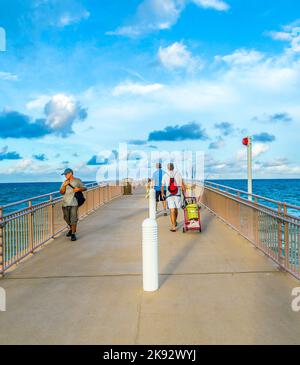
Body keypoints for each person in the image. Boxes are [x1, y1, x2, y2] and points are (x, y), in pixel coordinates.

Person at [60, 168, 87, 241]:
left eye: (66, 174)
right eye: (64, 174)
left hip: (74, 202)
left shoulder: (77, 180)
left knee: (73, 219)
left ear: (70, 173)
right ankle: (72, 229)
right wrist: (64, 186)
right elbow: (61, 192)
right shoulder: (64, 182)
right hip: (65, 203)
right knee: (66, 218)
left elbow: (85, 188)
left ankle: (73, 234)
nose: (65, 176)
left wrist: (79, 189)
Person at [161, 163, 186, 232]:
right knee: (176, 209)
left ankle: (173, 226)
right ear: (173, 167)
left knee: (172, 210)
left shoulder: (165, 175)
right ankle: (175, 221)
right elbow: (183, 185)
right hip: (177, 194)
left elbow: (162, 186)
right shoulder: (178, 174)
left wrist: (162, 193)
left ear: (168, 168)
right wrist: (184, 194)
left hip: (169, 195)